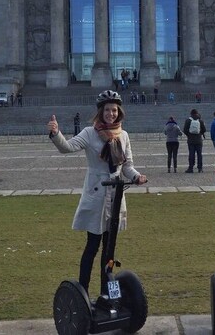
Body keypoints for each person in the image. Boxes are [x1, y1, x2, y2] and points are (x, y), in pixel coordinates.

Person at [46, 90, 147, 295]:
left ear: (119, 112)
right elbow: (67, 147)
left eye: (114, 110)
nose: (111, 113)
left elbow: (127, 166)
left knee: (109, 250)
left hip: (115, 197)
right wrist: (56, 134)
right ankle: (82, 292)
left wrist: (137, 176)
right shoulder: (89, 133)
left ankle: (107, 293)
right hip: (96, 195)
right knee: (92, 246)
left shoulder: (123, 135)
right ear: (101, 112)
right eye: (107, 110)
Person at [183, 108, 206, 173]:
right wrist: (200, 133)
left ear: (191, 114)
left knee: (191, 154)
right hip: (199, 140)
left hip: (191, 140)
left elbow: (185, 130)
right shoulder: (200, 121)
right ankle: (200, 168)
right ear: (197, 113)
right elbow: (204, 129)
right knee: (199, 154)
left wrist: (189, 135)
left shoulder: (188, 121)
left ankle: (191, 167)